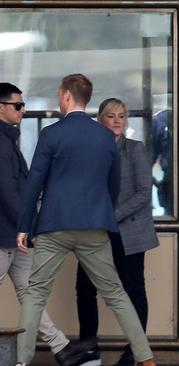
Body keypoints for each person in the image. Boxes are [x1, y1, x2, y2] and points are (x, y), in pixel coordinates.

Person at [14, 74, 156, 366]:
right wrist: (102, 213)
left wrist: (24, 226)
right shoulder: (105, 136)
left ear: (66, 96)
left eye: (58, 94)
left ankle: (21, 361)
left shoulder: (51, 134)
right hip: (94, 226)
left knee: (36, 293)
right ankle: (146, 358)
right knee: (116, 293)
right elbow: (113, 185)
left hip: (54, 225)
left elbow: (34, 184)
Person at [0, 82, 92, 366]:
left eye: (23, 104)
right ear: (0, 107)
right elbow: (7, 191)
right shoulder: (1, 141)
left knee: (31, 292)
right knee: (31, 291)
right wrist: (28, 225)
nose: (23, 110)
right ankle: (60, 347)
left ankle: (60, 347)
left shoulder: (8, 138)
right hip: (6, 234)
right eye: (18, 105)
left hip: (13, 235)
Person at [75, 98, 160, 366]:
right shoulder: (91, 150)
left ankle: (134, 352)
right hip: (96, 230)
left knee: (133, 289)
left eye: (121, 116)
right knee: (85, 288)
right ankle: (89, 349)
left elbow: (144, 193)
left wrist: (112, 216)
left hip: (129, 231)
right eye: (111, 116)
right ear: (100, 120)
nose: (117, 121)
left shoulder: (134, 149)